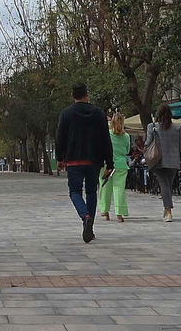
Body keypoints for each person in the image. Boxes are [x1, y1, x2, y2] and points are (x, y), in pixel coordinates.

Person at [55, 82, 112, 243]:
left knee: (75, 192)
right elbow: (105, 139)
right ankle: (90, 227)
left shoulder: (66, 114)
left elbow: (60, 137)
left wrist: (60, 158)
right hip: (94, 160)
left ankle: (85, 216)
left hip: (73, 159)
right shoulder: (98, 113)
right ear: (87, 95)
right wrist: (110, 162)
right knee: (92, 192)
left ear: (72, 96)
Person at [145, 103, 181, 223]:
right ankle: (166, 208)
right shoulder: (177, 128)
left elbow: (148, 142)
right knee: (168, 184)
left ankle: (168, 211)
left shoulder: (152, 127)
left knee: (164, 184)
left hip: (158, 160)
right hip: (173, 160)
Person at [99, 113, 131, 223]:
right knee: (119, 189)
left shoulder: (106, 134)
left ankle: (105, 210)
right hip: (121, 164)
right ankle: (119, 212)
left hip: (107, 165)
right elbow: (127, 151)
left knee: (105, 189)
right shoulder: (126, 136)